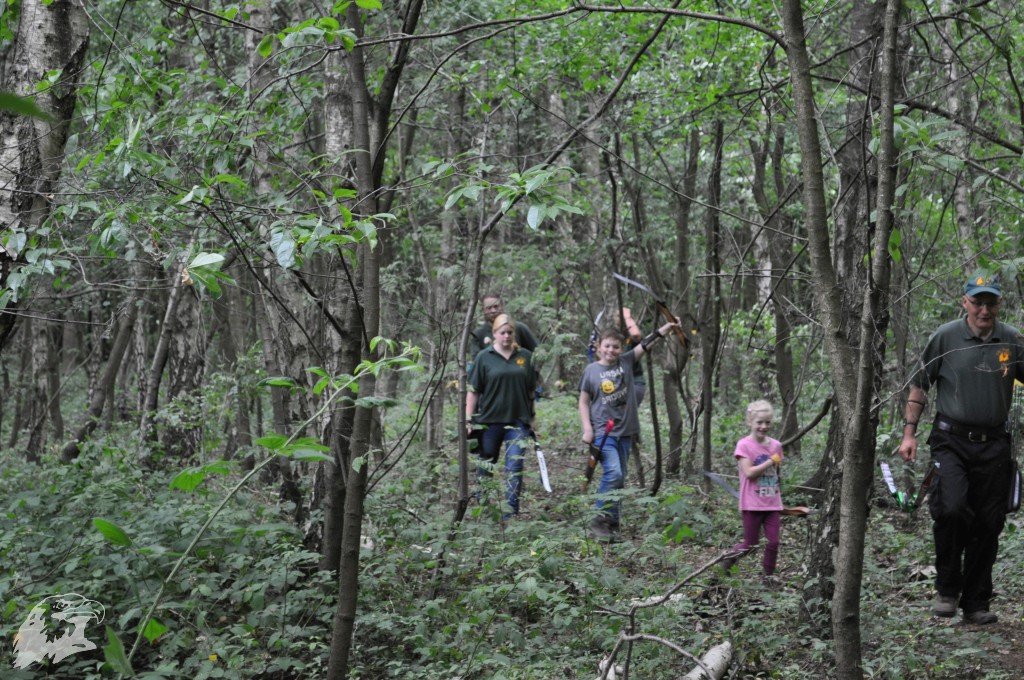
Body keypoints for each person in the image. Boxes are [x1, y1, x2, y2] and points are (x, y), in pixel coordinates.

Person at [898, 270, 1024, 624]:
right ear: (965, 302)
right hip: (950, 440)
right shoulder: (945, 337)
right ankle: (947, 590)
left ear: (999, 303)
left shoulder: (1012, 339)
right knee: (951, 510)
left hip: (995, 444)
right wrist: (909, 434)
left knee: (989, 521)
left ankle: (977, 602)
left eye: (991, 302)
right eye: (977, 302)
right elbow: (920, 386)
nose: (984, 309)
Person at [579, 317, 679, 540]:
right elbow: (583, 402)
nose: (611, 350)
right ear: (599, 347)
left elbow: (645, 343)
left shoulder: (626, 362)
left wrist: (666, 328)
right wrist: (587, 429)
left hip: (626, 431)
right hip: (603, 433)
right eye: (607, 346)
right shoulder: (591, 371)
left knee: (620, 477)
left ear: (621, 348)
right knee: (613, 473)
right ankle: (597, 518)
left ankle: (611, 524)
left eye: (616, 346)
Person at [466, 313, 537, 519]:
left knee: (514, 466)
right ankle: (483, 508)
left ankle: (510, 515)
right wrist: (469, 419)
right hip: (489, 421)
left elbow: (531, 390)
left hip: (518, 422)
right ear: (495, 334)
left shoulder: (525, 356)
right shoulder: (484, 357)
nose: (506, 336)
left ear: (514, 334)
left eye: (510, 332)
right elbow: (473, 391)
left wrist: (533, 418)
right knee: (486, 466)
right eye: (502, 332)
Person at [721, 400, 784, 581]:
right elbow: (749, 473)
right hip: (751, 503)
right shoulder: (744, 445)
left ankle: (768, 578)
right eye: (759, 422)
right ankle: (728, 560)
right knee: (751, 544)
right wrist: (771, 461)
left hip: (772, 503)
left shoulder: (776, 445)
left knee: (773, 542)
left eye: (767, 422)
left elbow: (776, 473)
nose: (763, 426)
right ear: (750, 421)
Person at [469, 294, 539, 361]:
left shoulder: (519, 328)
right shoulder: (479, 334)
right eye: (489, 308)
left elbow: (537, 352)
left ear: (502, 306)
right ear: (483, 310)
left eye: (496, 306)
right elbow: (476, 361)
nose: (493, 311)